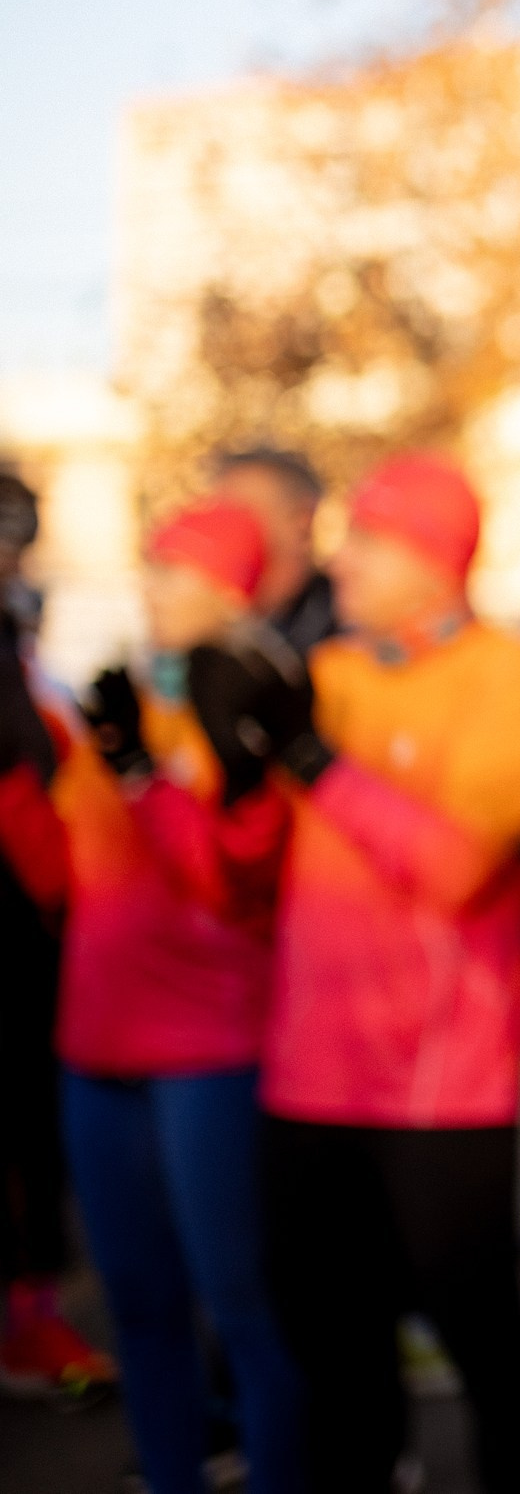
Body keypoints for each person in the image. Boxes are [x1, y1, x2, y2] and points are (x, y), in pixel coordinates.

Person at [239, 452, 520, 1493]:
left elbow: (454, 867)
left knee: (477, 1331)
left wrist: (312, 765)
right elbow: (237, 880)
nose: (341, 559)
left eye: (370, 541)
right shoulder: (328, 678)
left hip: (441, 1083)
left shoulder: (516, 680)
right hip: (308, 1075)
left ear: (436, 560)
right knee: (332, 1349)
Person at [54, 499, 304, 1494]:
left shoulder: (251, 691)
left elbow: (228, 882)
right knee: (139, 1305)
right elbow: (70, 858)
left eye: (175, 571)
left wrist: (142, 777)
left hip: (207, 1044)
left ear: (226, 589)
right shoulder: (124, 689)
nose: (151, 588)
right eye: (150, 568)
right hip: (97, 1043)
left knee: (242, 1304)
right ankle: (171, 1476)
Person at [0, 469, 118, 1402]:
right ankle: (28, 1326)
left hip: (29, 930)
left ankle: (31, 1316)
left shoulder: (15, 637)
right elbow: (16, 790)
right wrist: (68, 896)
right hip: (20, 932)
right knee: (23, 1136)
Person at [212, 448, 337, 658]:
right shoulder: (215, 622)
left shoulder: (342, 621)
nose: (223, 526)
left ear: (302, 519)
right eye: (218, 513)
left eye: (241, 510)